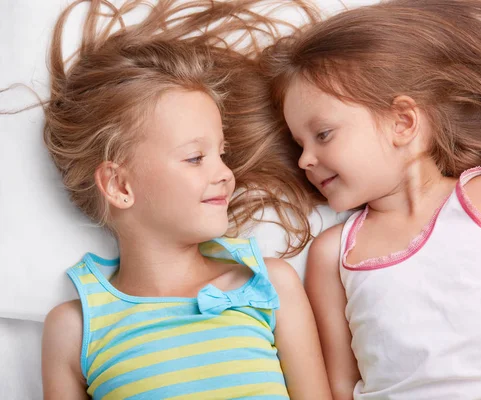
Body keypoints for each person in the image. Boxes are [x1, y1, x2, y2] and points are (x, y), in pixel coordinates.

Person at [259, 0, 481, 398]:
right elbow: (341, 381)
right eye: (299, 144)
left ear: (402, 122)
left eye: (323, 134)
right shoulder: (333, 254)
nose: (305, 160)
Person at [33, 0, 331, 398]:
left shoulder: (269, 285)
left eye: (222, 154)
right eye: (195, 157)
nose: (226, 173)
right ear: (120, 187)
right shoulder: (74, 329)